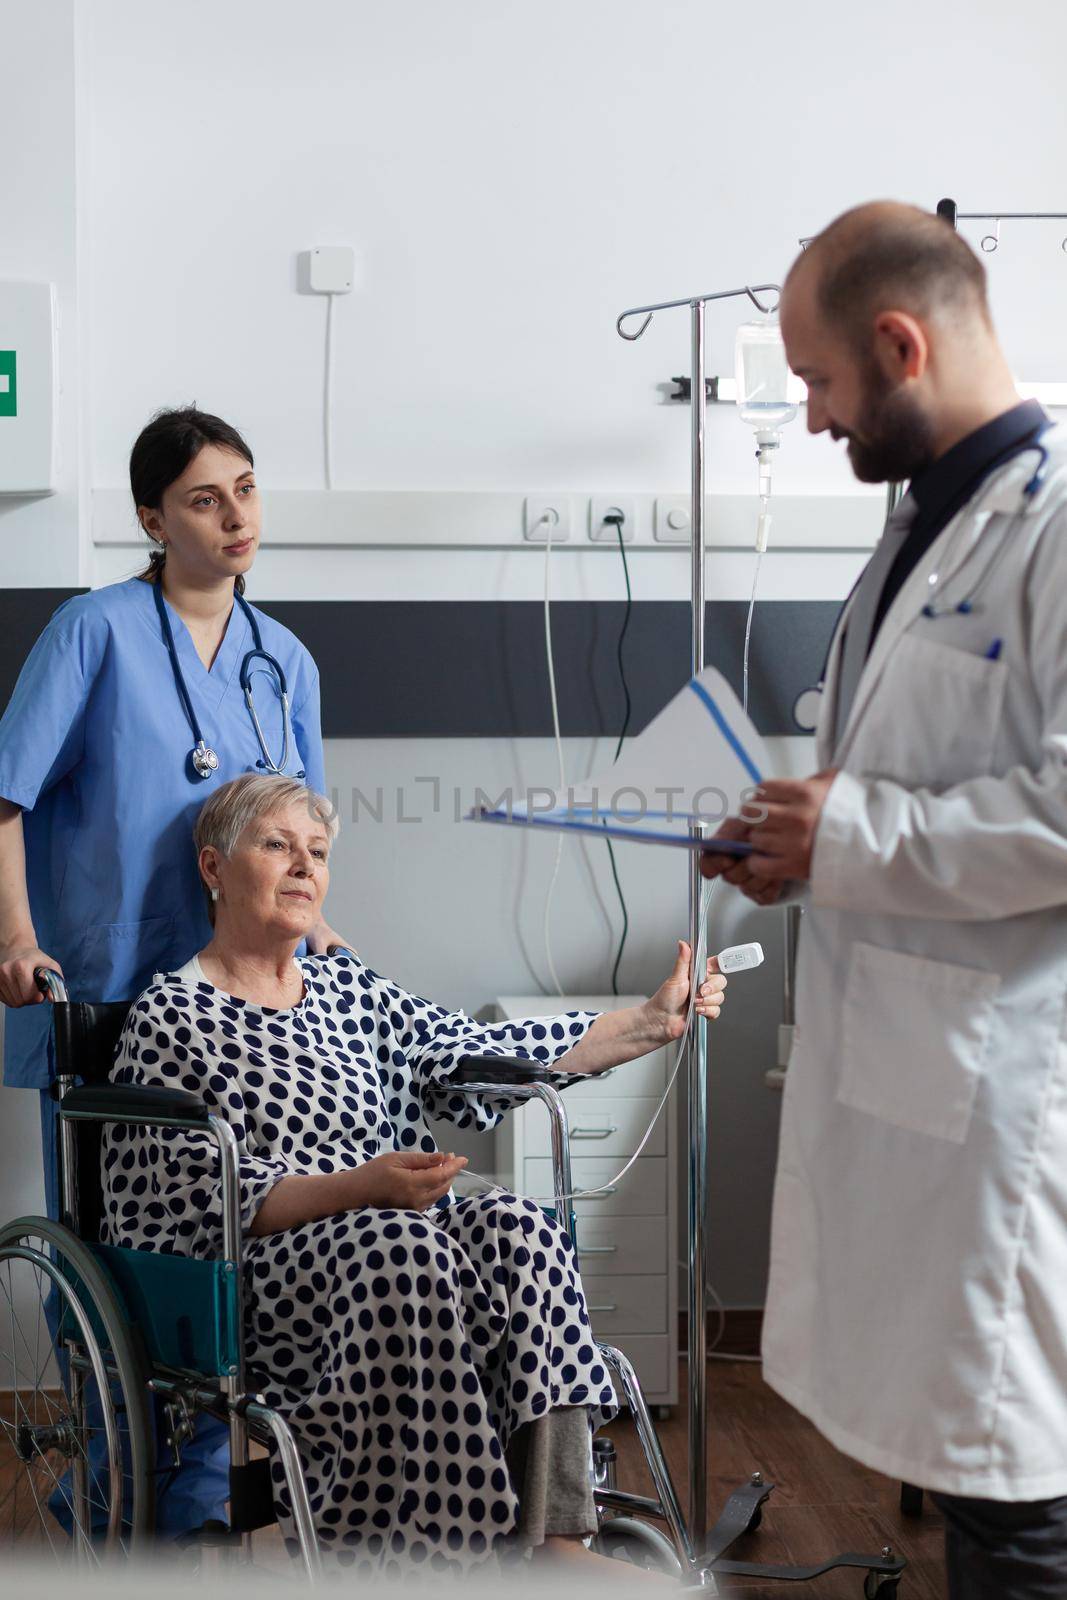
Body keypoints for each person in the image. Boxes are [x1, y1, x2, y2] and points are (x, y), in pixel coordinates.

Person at [701, 201, 1067, 1598]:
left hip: (1003, 1087)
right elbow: (897, 781)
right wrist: (788, 840)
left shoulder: (1046, 528)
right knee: (968, 1458)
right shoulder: (919, 528)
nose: (807, 419)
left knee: (1012, 1479)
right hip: (918, 1065)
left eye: (815, 380)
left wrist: (844, 836)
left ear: (898, 344)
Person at [102, 772, 728, 1575]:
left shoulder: (348, 989)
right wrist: (363, 1187)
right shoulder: (170, 1016)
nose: (304, 866)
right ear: (214, 868)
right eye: (276, 845)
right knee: (402, 1247)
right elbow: (188, 1201)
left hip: (396, 1226)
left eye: (318, 852)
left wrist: (647, 1022)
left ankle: (555, 1538)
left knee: (519, 1228)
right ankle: (444, 1562)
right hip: (270, 1273)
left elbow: (473, 1054)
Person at [0, 406, 344, 1534]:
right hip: (103, 992)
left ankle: (167, 1502)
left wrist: (317, 931)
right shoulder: (93, 632)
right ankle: (134, 1500)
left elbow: (299, 828)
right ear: (152, 518)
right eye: (205, 498)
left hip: (234, 1002)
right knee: (121, 1263)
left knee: (216, 1245)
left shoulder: (281, 661)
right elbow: (6, 798)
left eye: (246, 488)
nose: (236, 515)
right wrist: (14, 936)